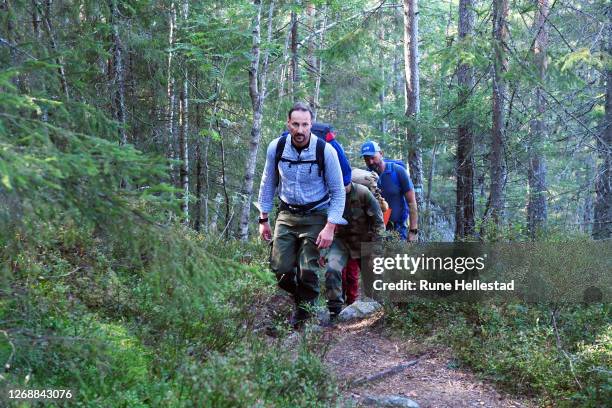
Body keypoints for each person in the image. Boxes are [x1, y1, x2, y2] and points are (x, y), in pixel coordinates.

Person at [257, 102, 346, 328]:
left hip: (316, 215)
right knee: (280, 270)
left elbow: (337, 192)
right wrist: (263, 219)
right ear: (288, 124)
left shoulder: (325, 151)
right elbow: (268, 184)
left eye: (304, 125)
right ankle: (302, 303)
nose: (300, 130)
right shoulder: (276, 148)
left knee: (308, 271)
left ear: (311, 125)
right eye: (295, 124)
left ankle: (305, 319)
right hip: (286, 215)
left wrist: (330, 226)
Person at [323, 181, 385, 321]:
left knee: (373, 280)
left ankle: (376, 311)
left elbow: (379, 223)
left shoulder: (363, 193)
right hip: (341, 242)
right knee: (332, 270)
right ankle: (334, 312)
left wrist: (376, 248)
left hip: (365, 242)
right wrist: (321, 251)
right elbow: (322, 222)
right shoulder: (329, 194)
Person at [361, 140, 419, 242]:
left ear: (381, 154)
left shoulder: (398, 171)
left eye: (372, 157)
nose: (370, 162)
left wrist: (413, 230)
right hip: (375, 230)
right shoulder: (365, 176)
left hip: (398, 229)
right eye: (366, 159)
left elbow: (412, 202)